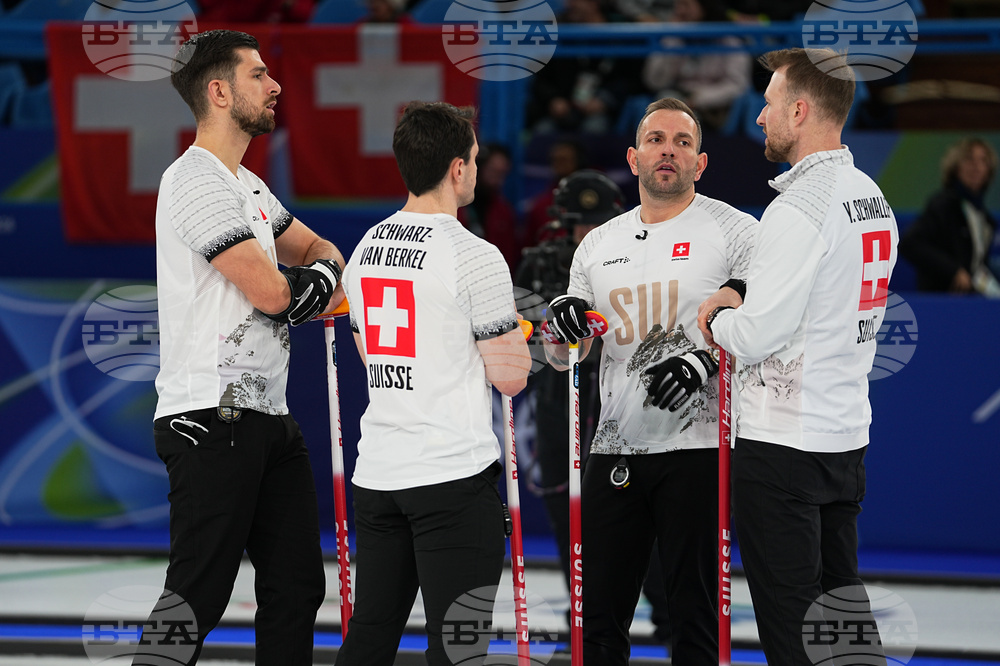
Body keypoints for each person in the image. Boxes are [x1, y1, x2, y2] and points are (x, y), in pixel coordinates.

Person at [698, 48, 898, 666]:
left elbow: (757, 335)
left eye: (770, 104)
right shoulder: (873, 197)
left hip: (784, 444)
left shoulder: (798, 207)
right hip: (843, 434)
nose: (760, 117)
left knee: (791, 627)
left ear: (802, 110)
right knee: (841, 612)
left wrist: (715, 319)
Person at [150, 30, 344, 665]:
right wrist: (308, 287)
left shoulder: (251, 188)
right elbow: (269, 292)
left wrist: (317, 278)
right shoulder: (194, 180)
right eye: (259, 74)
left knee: (296, 587)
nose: (275, 84)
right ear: (219, 91)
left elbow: (322, 252)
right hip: (209, 414)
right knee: (197, 597)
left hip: (268, 418)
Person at [543, 97, 758, 665]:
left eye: (683, 142)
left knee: (696, 617)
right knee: (599, 620)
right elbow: (566, 357)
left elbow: (763, 322)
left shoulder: (737, 230)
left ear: (701, 162)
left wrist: (705, 361)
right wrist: (561, 325)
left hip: (700, 447)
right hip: (616, 444)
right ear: (634, 158)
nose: (670, 150)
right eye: (658, 140)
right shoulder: (596, 245)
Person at [336, 101, 532, 666]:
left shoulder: (366, 248)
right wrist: (514, 335)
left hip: (377, 474)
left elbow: (364, 350)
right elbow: (510, 378)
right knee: (459, 649)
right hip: (450, 474)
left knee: (370, 634)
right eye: (472, 157)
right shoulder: (475, 255)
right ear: (457, 168)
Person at [899, 137, 1000, 296]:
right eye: (969, 159)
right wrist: (954, 270)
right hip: (942, 302)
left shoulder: (985, 219)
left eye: (983, 160)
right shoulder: (943, 205)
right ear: (956, 166)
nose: (976, 166)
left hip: (972, 303)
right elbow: (910, 243)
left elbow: (978, 268)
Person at [641, 0, 752, 131]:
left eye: (686, 5)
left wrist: (698, 99)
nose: (680, 11)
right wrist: (672, 40)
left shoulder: (730, 42)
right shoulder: (672, 39)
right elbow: (655, 82)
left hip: (715, 108)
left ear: (705, 7)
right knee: (666, 102)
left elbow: (738, 86)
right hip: (677, 100)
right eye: (678, 5)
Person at [458, 142, 521, 270]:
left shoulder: (504, 211)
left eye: (502, 173)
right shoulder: (455, 204)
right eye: (492, 170)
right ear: (478, 167)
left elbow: (508, 257)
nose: (496, 179)